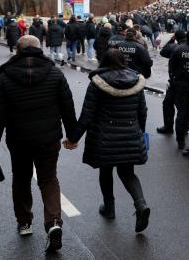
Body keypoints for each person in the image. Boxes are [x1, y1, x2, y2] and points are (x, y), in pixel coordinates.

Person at [0, 35, 77, 252]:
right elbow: (67, 108)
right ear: (40, 49)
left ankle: (24, 222)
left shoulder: (4, 78)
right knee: (48, 178)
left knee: (21, 178)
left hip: (19, 141)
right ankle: (53, 223)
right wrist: (72, 136)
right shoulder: (55, 74)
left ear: (17, 51)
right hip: (49, 139)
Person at [65, 49, 151, 233]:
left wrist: (73, 138)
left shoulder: (98, 82)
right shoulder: (136, 81)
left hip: (104, 136)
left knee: (106, 171)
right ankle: (141, 205)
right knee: (128, 173)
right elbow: (142, 111)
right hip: (130, 134)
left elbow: (87, 114)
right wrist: (139, 133)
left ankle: (109, 208)